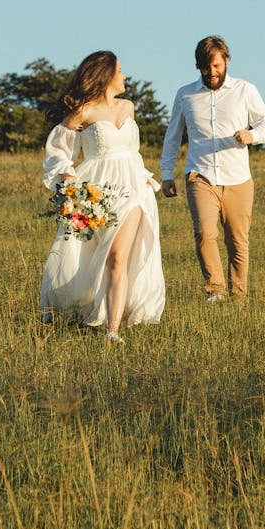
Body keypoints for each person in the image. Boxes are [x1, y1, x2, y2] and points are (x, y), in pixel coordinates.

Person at [40, 51, 165, 343]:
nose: (124, 75)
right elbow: (58, 149)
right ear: (105, 75)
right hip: (97, 189)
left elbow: (132, 151)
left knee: (119, 255)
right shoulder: (84, 112)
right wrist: (67, 177)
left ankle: (113, 329)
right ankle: (86, 309)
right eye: (119, 70)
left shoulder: (128, 107)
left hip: (133, 186)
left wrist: (145, 180)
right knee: (98, 254)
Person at [161, 36, 265, 303]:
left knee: (237, 241)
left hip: (238, 179)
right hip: (200, 176)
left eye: (215, 66)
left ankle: (239, 296)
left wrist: (252, 136)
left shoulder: (245, 90)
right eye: (205, 67)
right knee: (204, 233)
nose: (211, 73)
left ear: (226, 61)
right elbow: (173, 135)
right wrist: (167, 174)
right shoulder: (185, 94)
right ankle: (215, 290)